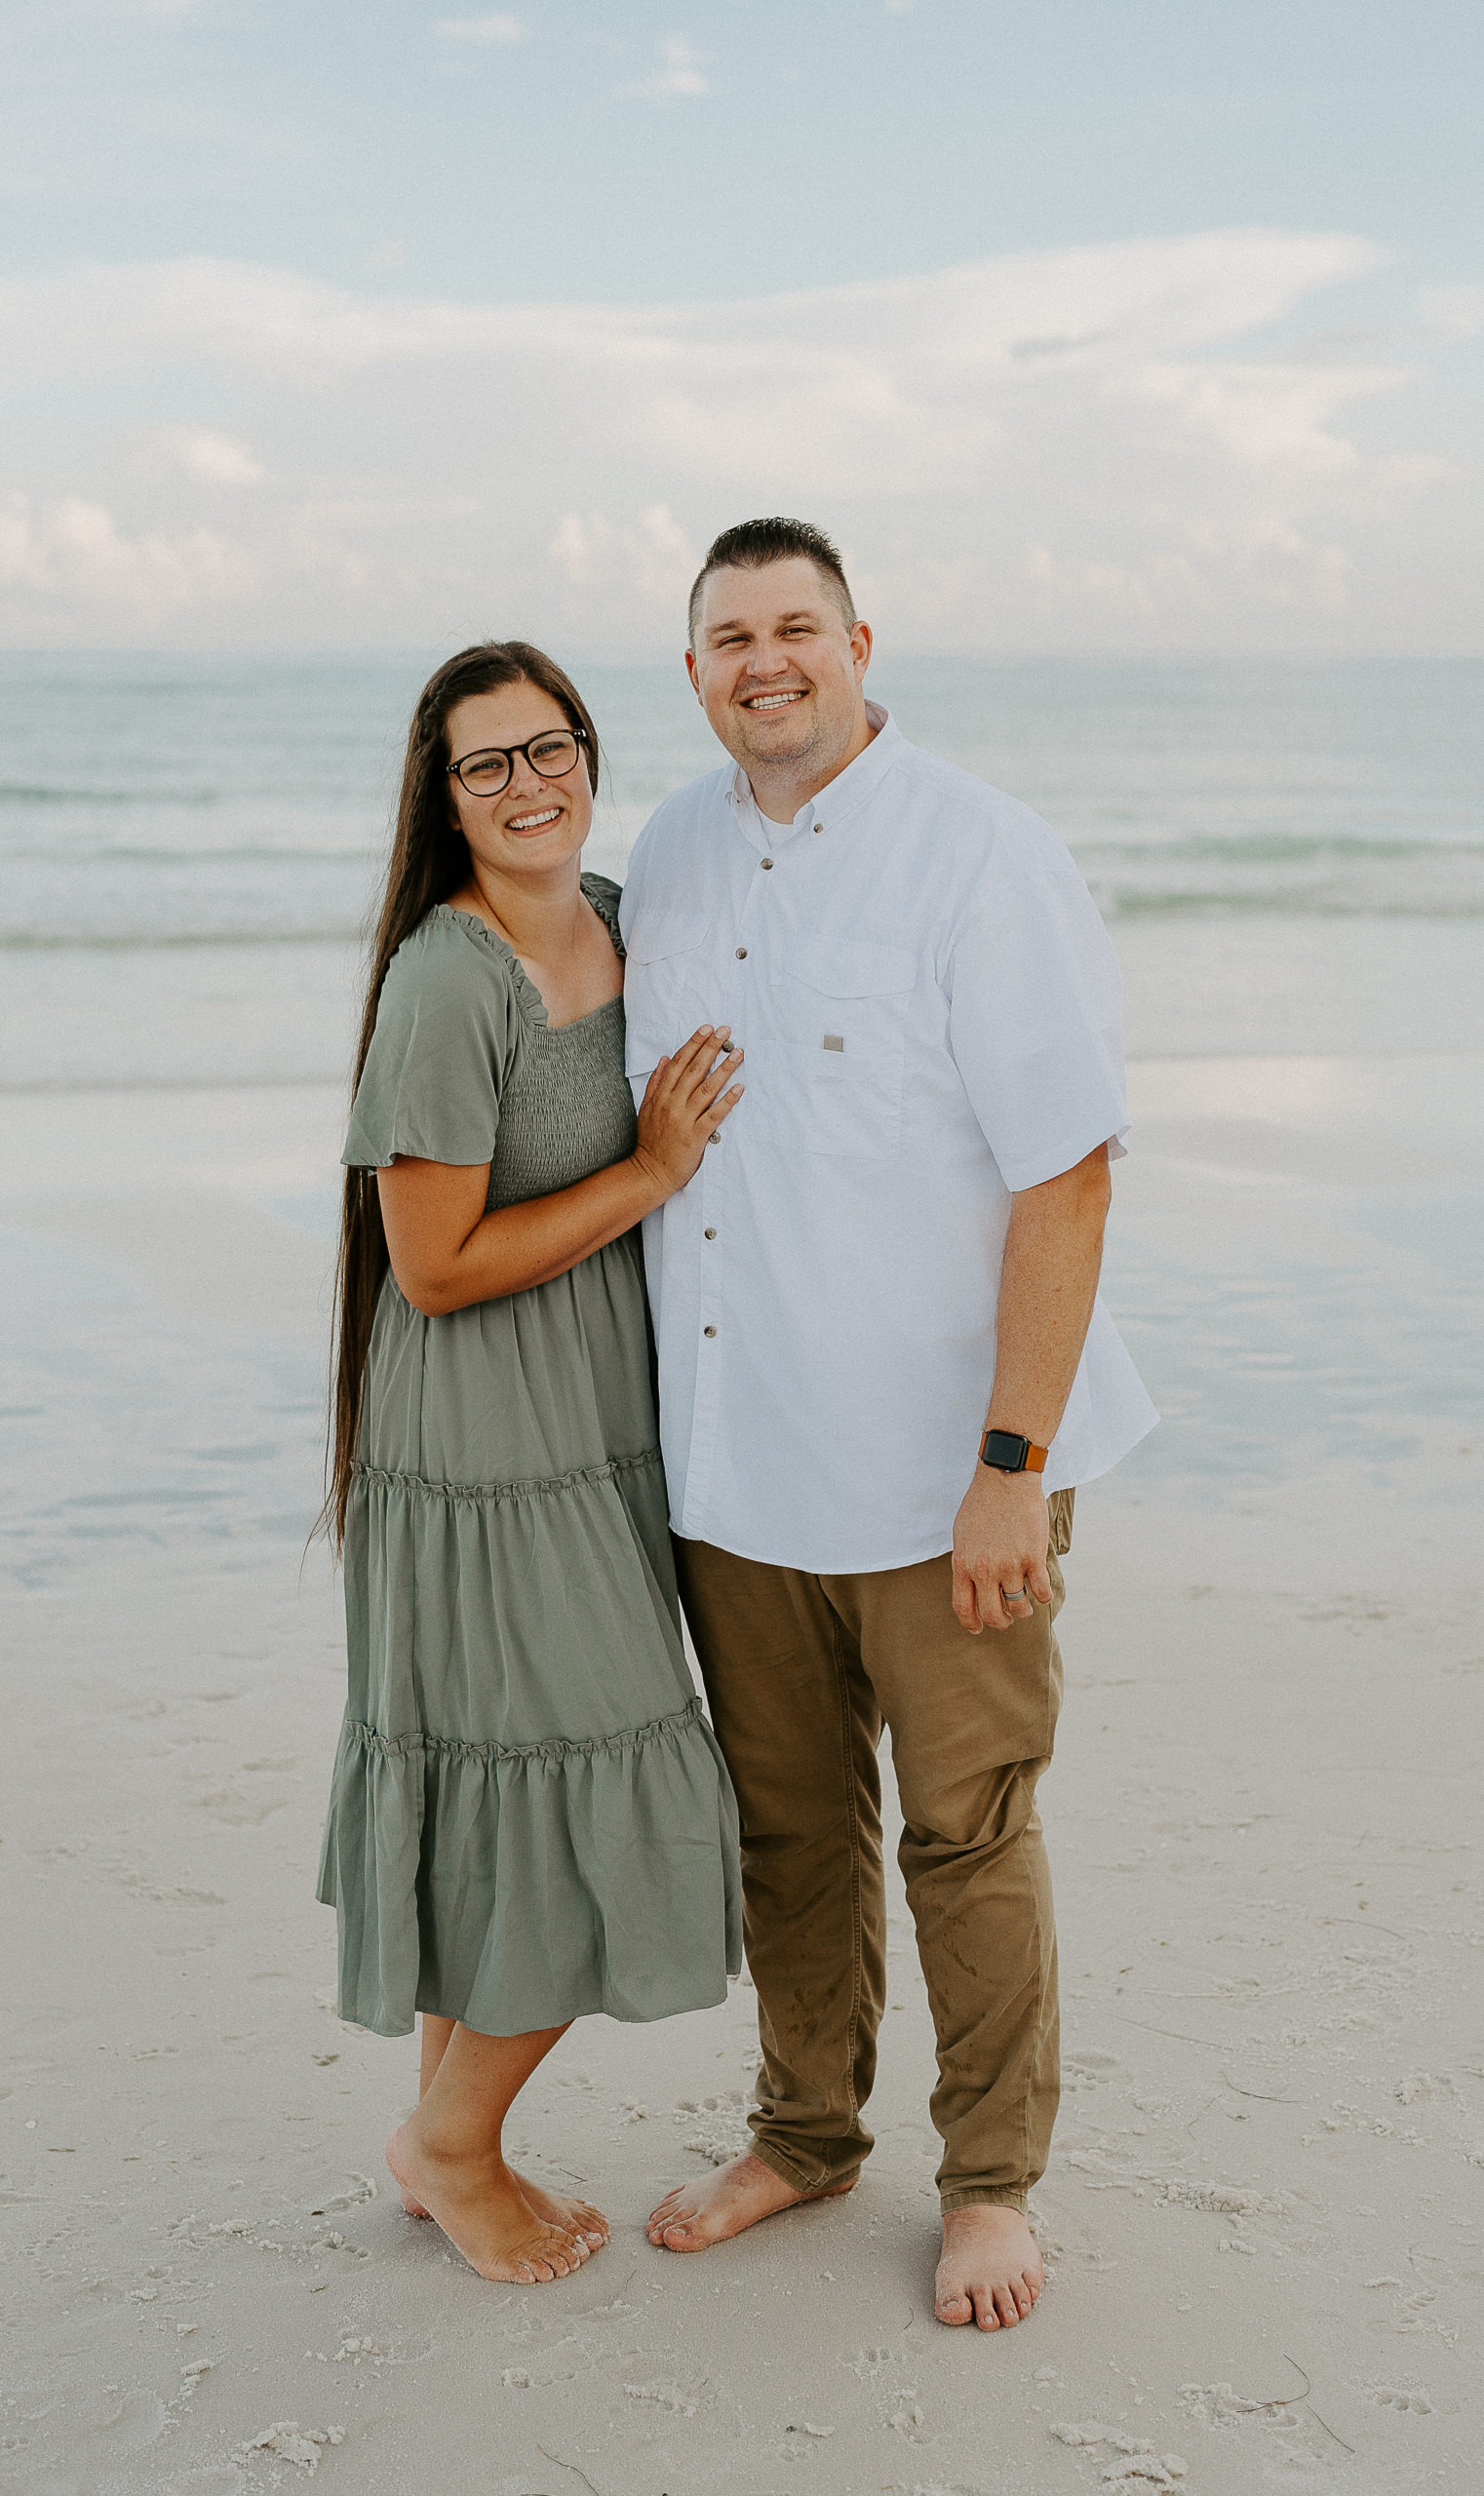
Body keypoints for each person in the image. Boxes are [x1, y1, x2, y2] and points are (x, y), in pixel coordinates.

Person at [620, 520, 1158, 2330]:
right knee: (790, 1833)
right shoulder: (674, 850)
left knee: (966, 1831)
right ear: (689, 671)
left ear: (858, 641)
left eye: (793, 629)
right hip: (739, 1462)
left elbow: (1066, 1176)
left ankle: (992, 2183)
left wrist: (1011, 1471)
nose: (762, 661)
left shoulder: (983, 854)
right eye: (725, 638)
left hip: (949, 1478)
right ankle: (804, 2133)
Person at [316, 641, 745, 2288]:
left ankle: (442, 2139)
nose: (527, 783)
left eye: (549, 746)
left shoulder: (625, 918)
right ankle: (452, 2141)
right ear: (443, 795)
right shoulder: (449, 978)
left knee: (514, 1768)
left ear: (587, 754)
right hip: (484, 1433)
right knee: (607, 1776)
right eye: (486, 762)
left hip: (593, 1420)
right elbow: (430, 1266)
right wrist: (648, 1173)